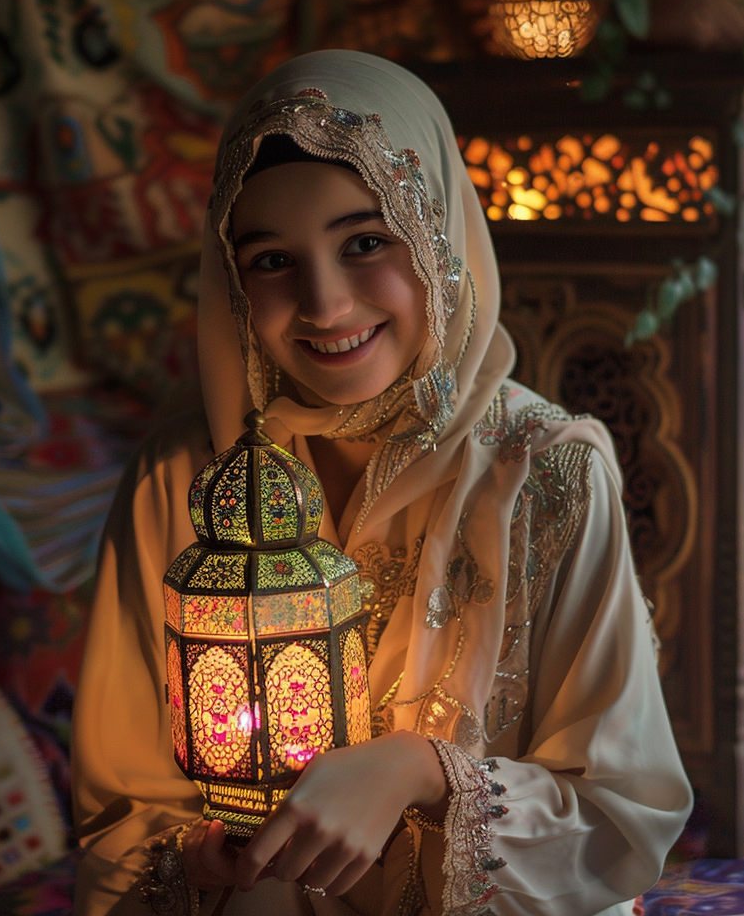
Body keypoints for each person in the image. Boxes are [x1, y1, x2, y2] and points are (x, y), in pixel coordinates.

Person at [70, 50, 693, 916]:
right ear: (231, 280)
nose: (325, 304)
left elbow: (622, 819)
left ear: (438, 233)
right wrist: (202, 859)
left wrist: (420, 772)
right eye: (272, 262)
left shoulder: (547, 472)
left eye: (366, 242)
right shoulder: (182, 480)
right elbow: (123, 818)